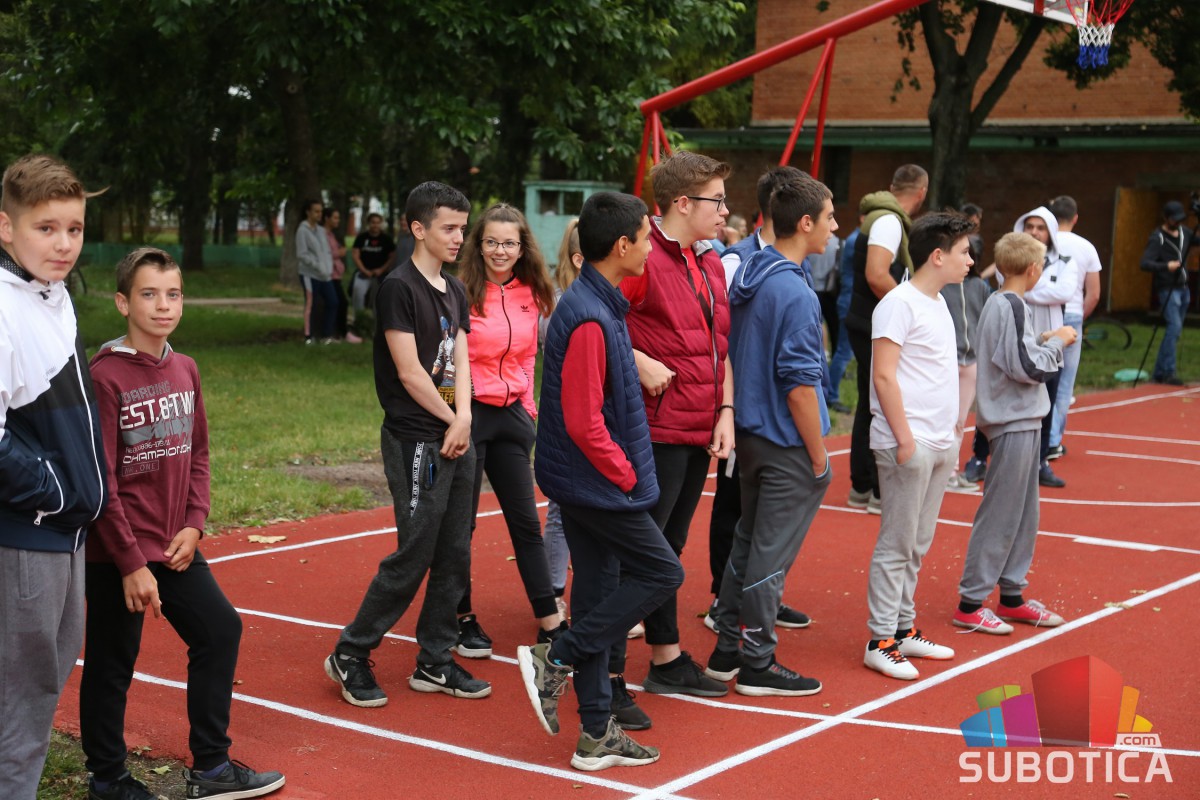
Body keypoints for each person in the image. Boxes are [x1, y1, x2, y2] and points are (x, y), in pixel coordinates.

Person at [82, 248, 284, 800]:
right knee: (113, 662)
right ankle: (107, 779)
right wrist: (129, 563)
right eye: (148, 294)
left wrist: (195, 524)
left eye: (172, 294)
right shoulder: (104, 376)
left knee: (219, 630)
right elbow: (101, 479)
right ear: (122, 302)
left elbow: (198, 454)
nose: (163, 305)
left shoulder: (185, 367)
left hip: (175, 545)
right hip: (117, 552)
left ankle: (212, 769)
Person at [517, 191, 683, 771]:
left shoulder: (599, 302)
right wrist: (626, 473)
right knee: (663, 572)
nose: (651, 247)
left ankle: (595, 733)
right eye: (647, 237)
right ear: (622, 245)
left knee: (593, 596)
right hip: (597, 483)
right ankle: (556, 655)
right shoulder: (589, 315)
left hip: (586, 481)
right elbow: (584, 421)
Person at [324, 181, 490, 707]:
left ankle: (435, 659)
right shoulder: (397, 287)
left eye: (463, 228)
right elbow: (411, 372)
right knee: (416, 550)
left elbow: (460, 359)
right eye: (449, 228)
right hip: (417, 439)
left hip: (455, 432)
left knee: (455, 551)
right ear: (418, 228)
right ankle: (351, 651)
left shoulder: (455, 289)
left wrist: (464, 417)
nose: (459, 237)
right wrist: (451, 420)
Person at [704, 170, 835, 696]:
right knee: (768, 556)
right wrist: (819, 455)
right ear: (804, 223)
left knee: (747, 542)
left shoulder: (752, 271)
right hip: (785, 442)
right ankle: (757, 661)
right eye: (829, 218)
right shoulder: (794, 292)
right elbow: (800, 386)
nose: (834, 227)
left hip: (753, 435)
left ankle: (726, 650)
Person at [0, 153, 106, 800]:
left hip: (64, 532)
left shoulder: (52, 294)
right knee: (19, 697)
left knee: (43, 682)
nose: (64, 244)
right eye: (46, 228)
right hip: (26, 537)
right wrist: (56, 490)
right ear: (6, 228)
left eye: (74, 228)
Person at [612, 150, 734, 711]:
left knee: (669, 549)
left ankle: (665, 658)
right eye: (717, 200)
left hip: (698, 427)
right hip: (655, 429)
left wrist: (725, 411)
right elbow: (595, 322)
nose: (725, 211)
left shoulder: (710, 262)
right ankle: (606, 676)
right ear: (683, 203)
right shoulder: (643, 257)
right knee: (641, 554)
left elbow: (718, 346)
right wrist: (638, 360)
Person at [863, 212, 973, 680]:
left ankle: (903, 627)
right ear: (938, 256)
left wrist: (953, 433)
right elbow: (884, 375)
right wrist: (905, 439)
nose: (971, 260)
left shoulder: (939, 302)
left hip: (939, 441)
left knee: (918, 543)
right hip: (908, 443)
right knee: (897, 542)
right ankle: (880, 640)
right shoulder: (898, 304)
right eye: (964, 251)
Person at [455, 203, 564, 656]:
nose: (500, 251)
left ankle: (551, 622)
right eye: (492, 242)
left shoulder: (533, 293)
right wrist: (455, 414)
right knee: (460, 527)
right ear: (479, 245)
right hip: (469, 416)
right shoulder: (459, 291)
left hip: (513, 419)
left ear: (523, 248)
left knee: (526, 524)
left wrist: (529, 411)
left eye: (509, 243)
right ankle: (461, 618)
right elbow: (446, 362)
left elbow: (527, 358)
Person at [953, 232, 1076, 635]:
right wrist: (1058, 343)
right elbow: (1027, 367)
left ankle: (1011, 596)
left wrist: (1042, 340)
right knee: (1003, 511)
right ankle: (971, 603)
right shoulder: (1012, 304)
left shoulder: (1000, 301)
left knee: (1023, 513)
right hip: (1013, 419)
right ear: (1034, 269)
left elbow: (1012, 350)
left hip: (1019, 419)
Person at [843, 165, 929, 514]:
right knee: (882, 402)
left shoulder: (885, 218)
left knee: (872, 402)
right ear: (922, 192)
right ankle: (876, 487)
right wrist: (910, 310)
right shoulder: (889, 222)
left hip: (870, 320)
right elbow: (877, 274)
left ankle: (865, 485)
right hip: (873, 323)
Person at [542, 219, 584, 620]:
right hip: (566, 420)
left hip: (605, 418)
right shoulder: (557, 304)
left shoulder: (617, 298)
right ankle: (553, 591)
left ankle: (602, 594)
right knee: (561, 508)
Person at [1047, 196, 1102, 458]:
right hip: (1072, 312)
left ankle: (1038, 437)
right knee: (1064, 381)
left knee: (1041, 377)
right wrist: (1080, 316)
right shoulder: (1086, 247)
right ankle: (1052, 440)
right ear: (1075, 218)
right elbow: (1094, 293)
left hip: (1045, 310)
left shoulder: (1043, 242)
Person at [943, 228, 991, 492]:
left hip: (970, 363)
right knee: (942, 419)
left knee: (959, 421)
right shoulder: (941, 286)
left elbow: (984, 320)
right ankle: (940, 471)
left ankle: (950, 472)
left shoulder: (980, 287)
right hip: (946, 362)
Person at [1141, 200, 1194, 386]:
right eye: (1174, 219)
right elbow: (1145, 263)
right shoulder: (1158, 238)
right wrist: (1166, 266)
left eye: (1180, 219)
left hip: (1184, 287)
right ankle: (1169, 371)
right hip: (1167, 288)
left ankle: (1159, 372)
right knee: (1174, 327)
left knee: (1175, 331)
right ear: (1166, 218)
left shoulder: (1184, 232)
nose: (1177, 222)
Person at [296, 198, 337, 345]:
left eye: (320, 211)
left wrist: (328, 267)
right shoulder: (302, 230)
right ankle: (309, 336)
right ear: (308, 212)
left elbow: (326, 251)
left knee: (333, 302)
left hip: (325, 275)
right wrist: (317, 265)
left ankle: (327, 335)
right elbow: (302, 254)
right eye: (316, 211)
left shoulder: (320, 230)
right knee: (311, 304)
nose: (319, 214)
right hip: (310, 274)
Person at [350, 212, 396, 332]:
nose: (375, 225)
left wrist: (381, 269)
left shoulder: (386, 239)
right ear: (368, 224)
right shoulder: (362, 238)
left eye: (377, 223)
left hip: (381, 275)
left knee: (381, 299)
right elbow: (355, 255)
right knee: (357, 293)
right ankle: (358, 322)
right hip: (363, 273)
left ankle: (379, 326)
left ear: (381, 224)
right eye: (373, 222)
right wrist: (364, 270)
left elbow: (392, 257)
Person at [323, 207, 362, 343]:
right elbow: (324, 254)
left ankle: (339, 331)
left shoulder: (331, 235)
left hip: (335, 275)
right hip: (328, 275)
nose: (338, 220)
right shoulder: (322, 235)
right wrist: (338, 253)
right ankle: (339, 332)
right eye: (335, 217)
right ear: (326, 218)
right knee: (340, 302)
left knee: (340, 302)